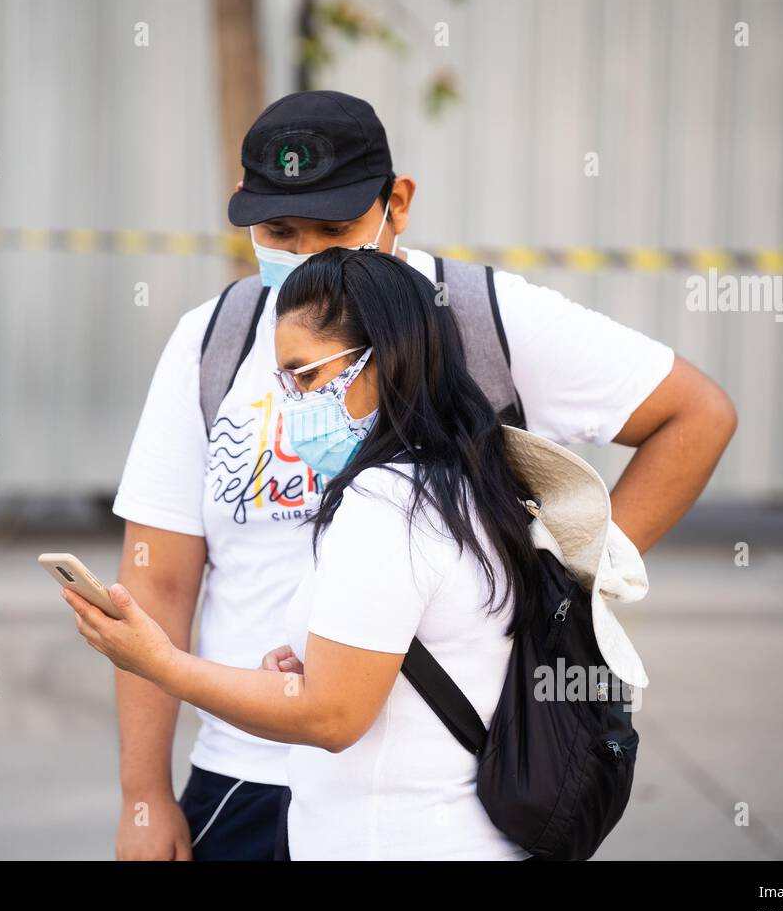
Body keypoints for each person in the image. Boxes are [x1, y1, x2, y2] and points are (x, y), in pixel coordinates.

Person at [105, 90, 736, 861]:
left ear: (396, 202)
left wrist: (557, 592)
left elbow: (697, 416)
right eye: (279, 231)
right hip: (247, 775)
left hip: (441, 785)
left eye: (335, 229)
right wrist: (144, 795)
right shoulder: (214, 342)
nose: (309, 257)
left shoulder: (483, 319)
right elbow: (159, 581)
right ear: (242, 214)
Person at [68, 247, 554, 858]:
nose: (294, 406)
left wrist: (158, 661)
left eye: (306, 377)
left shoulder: (385, 504)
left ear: (386, 359)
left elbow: (330, 717)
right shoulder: (465, 480)